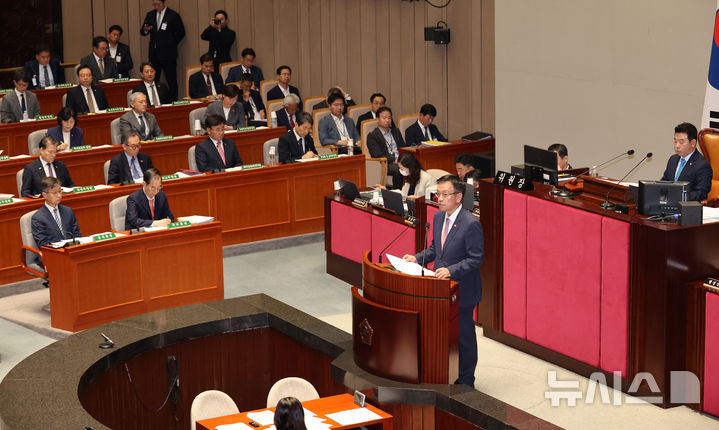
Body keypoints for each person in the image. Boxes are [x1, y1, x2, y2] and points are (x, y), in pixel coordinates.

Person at [403, 174, 483, 387]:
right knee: (442, 334)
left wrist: (451, 270)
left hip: (462, 289)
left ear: (458, 197)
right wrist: (416, 258)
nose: (439, 198)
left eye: (445, 194)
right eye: (438, 194)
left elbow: (476, 259)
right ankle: (447, 372)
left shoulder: (470, 223)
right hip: (438, 287)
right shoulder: (438, 217)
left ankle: (467, 380)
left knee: (463, 337)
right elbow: (434, 250)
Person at [141, 0, 186, 100]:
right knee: (153, 79)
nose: (156, 6)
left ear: (164, 3)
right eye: (154, 4)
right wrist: (145, 30)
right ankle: (155, 101)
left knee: (171, 80)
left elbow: (181, 32)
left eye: (158, 4)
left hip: (168, 54)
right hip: (154, 54)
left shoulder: (173, 15)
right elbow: (143, 31)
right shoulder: (150, 15)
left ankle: (173, 102)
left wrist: (171, 43)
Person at [660, 122, 713, 202]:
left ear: (693, 143)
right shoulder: (673, 159)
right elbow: (664, 182)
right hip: (668, 206)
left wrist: (677, 197)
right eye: (675, 141)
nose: (677, 146)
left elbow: (701, 193)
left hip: (687, 209)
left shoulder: (702, 165)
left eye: (681, 142)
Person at [31, 177, 82, 254]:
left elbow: (77, 234)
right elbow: (43, 243)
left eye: (60, 191)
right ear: (45, 195)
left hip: (71, 251)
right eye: (55, 193)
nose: (59, 195)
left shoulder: (68, 211)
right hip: (53, 254)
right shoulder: (38, 218)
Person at [366, 107, 406, 188]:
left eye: (389, 118)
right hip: (385, 164)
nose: (387, 120)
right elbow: (377, 155)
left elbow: (403, 147)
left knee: (416, 165)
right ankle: (397, 193)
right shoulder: (372, 136)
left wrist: (403, 159)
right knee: (398, 170)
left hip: (401, 160)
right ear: (377, 119)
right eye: (384, 118)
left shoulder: (396, 131)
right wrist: (395, 160)